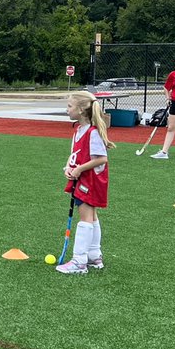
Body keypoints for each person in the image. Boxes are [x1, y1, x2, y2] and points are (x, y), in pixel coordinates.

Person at [56, 91, 115, 275]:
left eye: (69, 106)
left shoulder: (93, 132)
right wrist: (68, 166)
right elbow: (75, 153)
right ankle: (94, 256)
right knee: (92, 216)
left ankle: (79, 261)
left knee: (86, 218)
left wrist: (80, 169)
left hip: (90, 180)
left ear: (81, 110)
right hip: (82, 178)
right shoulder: (78, 130)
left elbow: (101, 159)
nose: (67, 110)